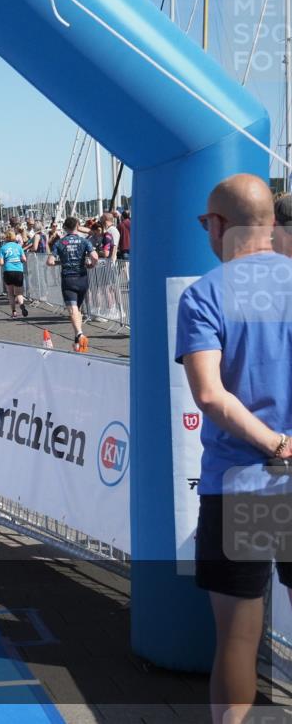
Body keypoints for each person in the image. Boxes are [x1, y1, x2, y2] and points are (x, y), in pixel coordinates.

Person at [175, 174, 292, 724]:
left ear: (218, 225)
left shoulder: (206, 293)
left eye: (205, 223)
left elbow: (211, 396)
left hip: (246, 484)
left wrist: (276, 443)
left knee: (238, 638)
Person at [47, 216, 98, 352]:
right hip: (82, 278)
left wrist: (61, 262)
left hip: (68, 278)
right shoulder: (84, 241)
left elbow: (50, 261)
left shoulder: (60, 243)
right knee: (77, 309)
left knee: (72, 309)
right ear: (78, 226)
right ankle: (77, 339)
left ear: (65, 228)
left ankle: (80, 334)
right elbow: (95, 257)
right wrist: (91, 265)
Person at [0, 230, 28, 318]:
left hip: (8, 271)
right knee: (19, 293)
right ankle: (21, 304)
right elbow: (24, 259)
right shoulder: (18, 247)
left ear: (6, 238)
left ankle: (14, 312)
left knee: (10, 293)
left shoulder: (3, 248)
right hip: (18, 271)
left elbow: (1, 262)